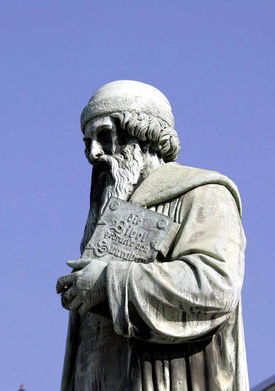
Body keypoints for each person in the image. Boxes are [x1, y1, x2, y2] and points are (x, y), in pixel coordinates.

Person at [56, 80, 248, 390]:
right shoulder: (103, 220)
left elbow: (216, 285)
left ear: (143, 135)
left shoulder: (204, 195)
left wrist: (108, 282)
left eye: (105, 136)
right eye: (86, 142)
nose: (93, 154)